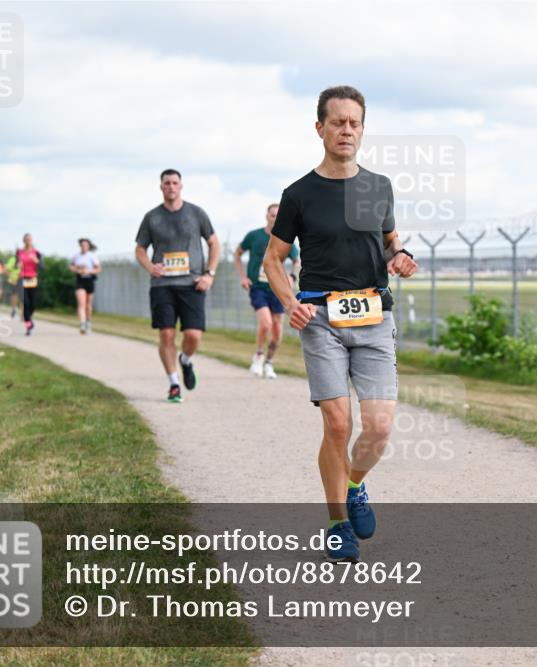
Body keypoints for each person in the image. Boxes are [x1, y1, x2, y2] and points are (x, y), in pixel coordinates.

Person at [263, 86, 417, 562]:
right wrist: (291, 302)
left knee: (380, 426)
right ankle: (337, 523)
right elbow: (272, 261)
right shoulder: (299, 194)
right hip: (321, 318)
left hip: (373, 315)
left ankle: (354, 486)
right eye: (338, 122)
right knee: (337, 422)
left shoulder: (379, 187)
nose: (346, 130)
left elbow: (390, 241)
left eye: (354, 123)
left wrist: (402, 255)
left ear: (362, 129)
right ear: (320, 129)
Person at [135, 169, 220, 403]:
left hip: (192, 283)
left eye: (174, 182)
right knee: (166, 333)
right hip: (162, 284)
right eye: (166, 183)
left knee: (193, 335)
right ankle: (174, 384)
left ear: (181, 186)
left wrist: (209, 274)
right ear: (161, 187)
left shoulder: (196, 213)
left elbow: (214, 243)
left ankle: (185, 360)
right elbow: (140, 249)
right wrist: (150, 267)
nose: (171, 186)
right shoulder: (152, 217)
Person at [235, 203, 300, 379]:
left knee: (278, 329)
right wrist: (243, 277)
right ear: (267, 216)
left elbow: (296, 260)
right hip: (258, 287)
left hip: (278, 289)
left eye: (279, 216)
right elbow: (237, 254)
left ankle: (269, 362)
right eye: (272, 215)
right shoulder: (254, 236)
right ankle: (258, 355)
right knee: (265, 323)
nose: (275, 219)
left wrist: (293, 277)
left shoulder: (286, 239)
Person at [71, 238, 101, 334]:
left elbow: (98, 269)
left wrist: (88, 271)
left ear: (88, 246)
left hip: (90, 280)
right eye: (82, 245)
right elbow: (72, 266)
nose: (84, 247)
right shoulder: (76, 256)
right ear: (80, 246)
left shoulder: (92, 256)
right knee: (81, 303)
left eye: (85, 245)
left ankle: (88, 322)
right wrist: (76, 270)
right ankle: (82, 323)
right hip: (80, 280)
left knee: (88, 305)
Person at [16, 234, 42, 335]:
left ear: (32, 241)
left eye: (30, 239)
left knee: (32, 305)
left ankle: (28, 318)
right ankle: (28, 325)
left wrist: (36, 261)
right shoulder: (19, 252)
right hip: (22, 278)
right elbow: (16, 264)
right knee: (25, 303)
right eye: (26, 240)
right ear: (23, 241)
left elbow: (43, 267)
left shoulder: (36, 252)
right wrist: (18, 265)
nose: (28, 241)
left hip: (32, 279)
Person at [3, 250, 21, 319]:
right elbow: (5, 269)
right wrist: (11, 277)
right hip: (15, 280)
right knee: (15, 295)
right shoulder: (13, 259)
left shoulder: (26, 259)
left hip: (24, 279)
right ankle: (13, 309)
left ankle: (23, 313)